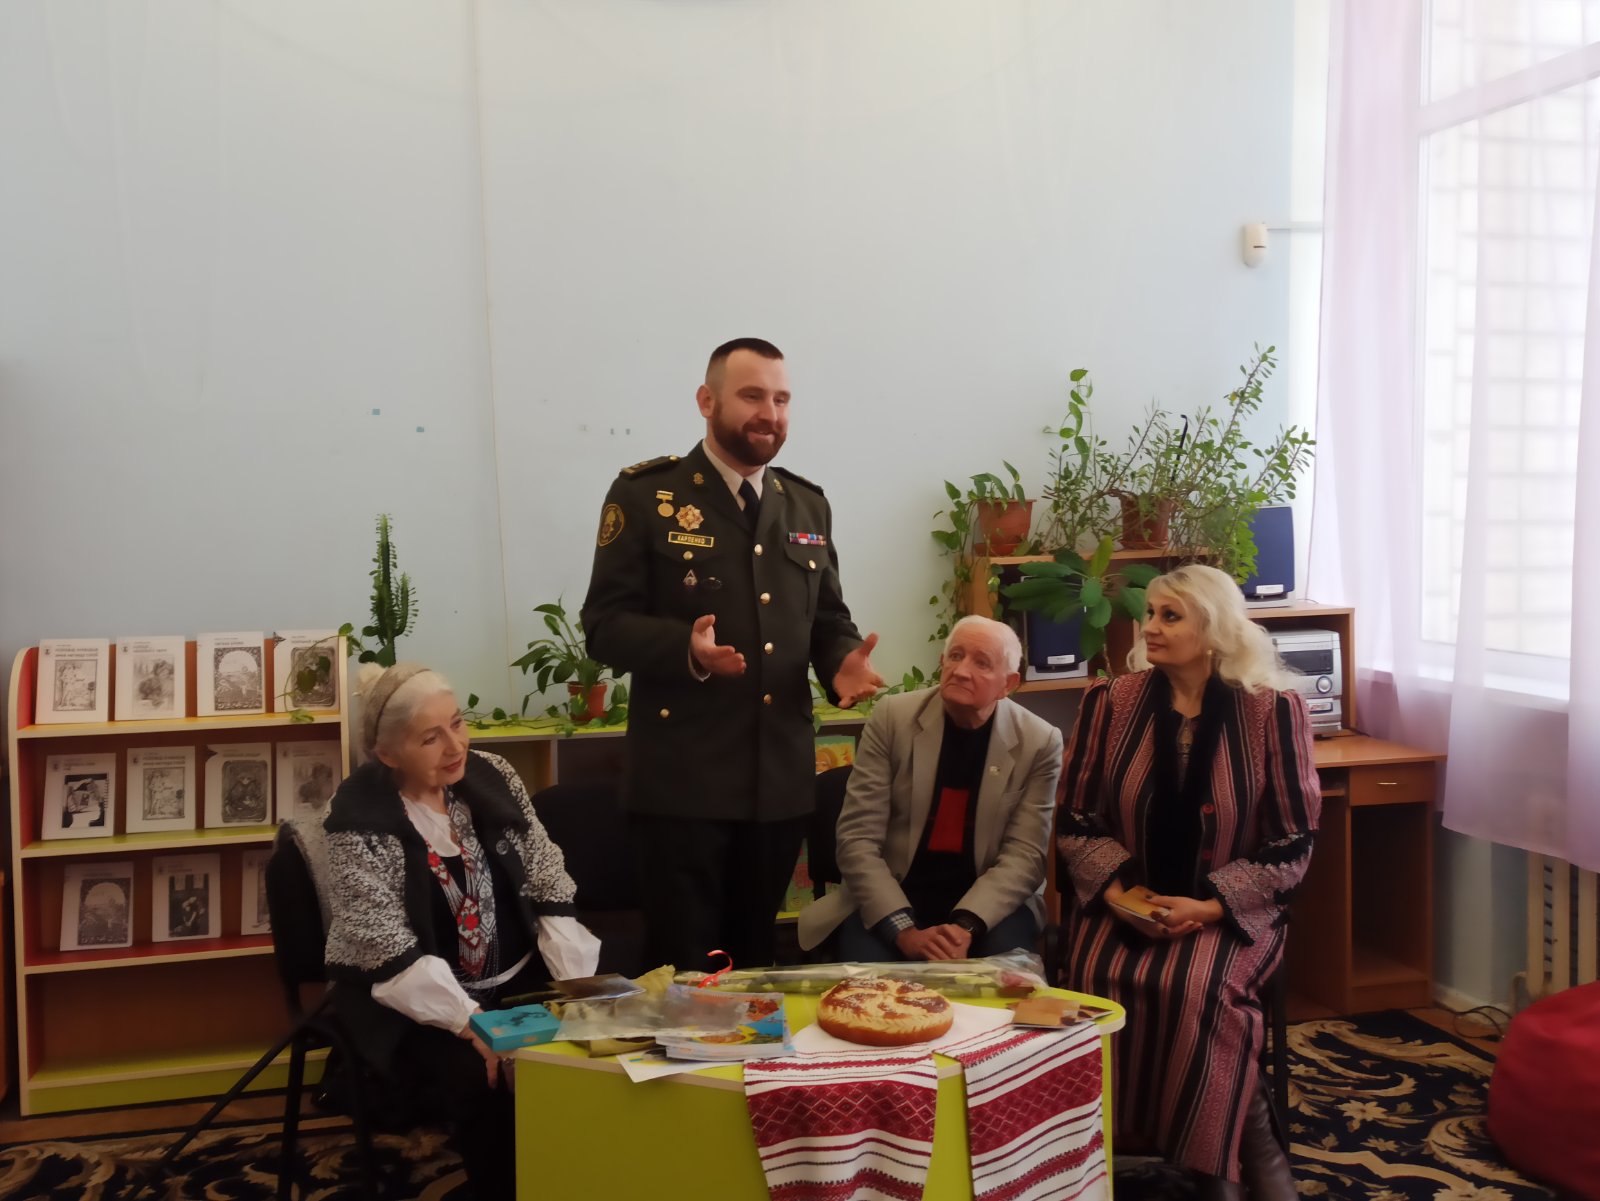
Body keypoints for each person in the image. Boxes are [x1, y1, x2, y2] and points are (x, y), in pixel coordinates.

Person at [581, 337, 882, 972]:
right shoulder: (647, 495)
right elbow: (604, 626)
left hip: (777, 785)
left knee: (752, 964)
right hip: (681, 787)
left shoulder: (807, 503)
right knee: (685, 971)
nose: (769, 413)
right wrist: (684, 649)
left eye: (781, 399)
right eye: (752, 396)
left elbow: (827, 618)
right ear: (707, 400)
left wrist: (841, 662)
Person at [1056, 565, 1319, 1201]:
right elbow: (1076, 818)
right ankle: (1099, 1161)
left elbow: (1293, 838)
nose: (1149, 627)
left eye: (1170, 616)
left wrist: (1206, 908)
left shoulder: (1271, 711)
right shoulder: (1110, 702)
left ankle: (1215, 1174)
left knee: (1199, 989)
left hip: (1228, 912)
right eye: (1150, 614)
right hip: (1125, 901)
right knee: (1097, 981)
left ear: (1214, 629)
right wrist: (1121, 896)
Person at [322, 662, 600, 1199]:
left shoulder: (492, 774)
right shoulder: (357, 817)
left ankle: (569, 1180)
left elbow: (544, 868)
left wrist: (574, 989)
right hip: (415, 1001)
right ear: (388, 753)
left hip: (516, 978)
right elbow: (384, 943)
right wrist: (473, 1026)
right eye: (430, 738)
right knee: (480, 1077)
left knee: (582, 1048)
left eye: (457, 723)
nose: (456, 746)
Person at [798, 616, 1062, 961]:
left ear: (1008, 684)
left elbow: (1025, 857)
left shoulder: (1039, 742)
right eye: (956, 656)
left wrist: (965, 927)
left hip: (990, 904)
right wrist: (903, 931)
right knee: (870, 986)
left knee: (1007, 978)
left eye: (981, 663)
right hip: (892, 895)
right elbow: (857, 839)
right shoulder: (893, 718)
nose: (961, 671)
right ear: (942, 662)